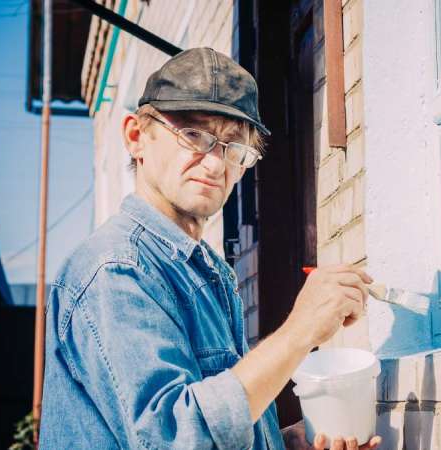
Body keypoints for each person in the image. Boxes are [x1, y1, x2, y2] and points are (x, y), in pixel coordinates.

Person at [39, 47, 382, 450]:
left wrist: (282, 442)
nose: (217, 165)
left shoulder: (207, 270)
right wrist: (301, 330)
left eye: (234, 148)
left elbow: (217, 418)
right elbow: (176, 438)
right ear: (136, 137)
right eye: (194, 135)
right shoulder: (115, 269)